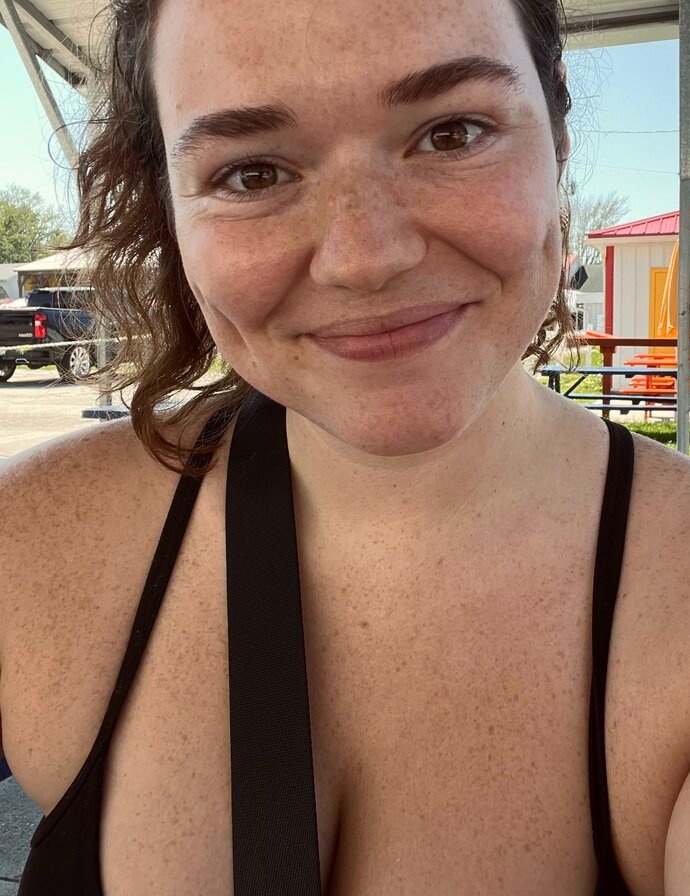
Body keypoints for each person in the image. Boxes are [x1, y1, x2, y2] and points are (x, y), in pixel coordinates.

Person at [1, 0, 689, 893]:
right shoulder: (31, 546)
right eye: (252, 173)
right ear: (169, 205)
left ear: (556, 135)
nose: (366, 257)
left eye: (452, 133)